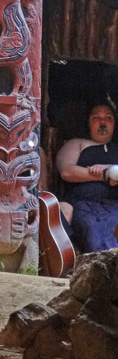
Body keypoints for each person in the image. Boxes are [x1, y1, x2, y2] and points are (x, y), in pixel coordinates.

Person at [56, 103, 118, 252]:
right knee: (91, 228)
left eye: (108, 118)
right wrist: (105, 175)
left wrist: (108, 168)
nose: (103, 122)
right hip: (84, 205)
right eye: (96, 117)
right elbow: (67, 171)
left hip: (115, 204)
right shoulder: (77, 144)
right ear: (88, 123)